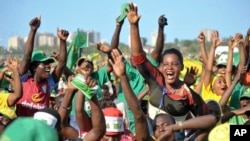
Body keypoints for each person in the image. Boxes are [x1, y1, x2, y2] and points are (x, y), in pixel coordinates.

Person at [127, 2, 208, 123]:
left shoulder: (187, 93)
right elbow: (139, 57)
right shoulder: (155, 80)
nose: (169, 67)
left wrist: (187, 86)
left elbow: (206, 118)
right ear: (160, 67)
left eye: (175, 64)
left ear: (181, 67)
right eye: (165, 64)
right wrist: (134, 25)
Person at [16, 16, 69, 116]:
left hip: (40, 129)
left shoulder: (49, 83)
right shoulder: (23, 79)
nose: (48, 66)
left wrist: (63, 41)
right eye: (44, 64)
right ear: (34, 67)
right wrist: (33, 30)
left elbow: (62, 64)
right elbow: (27, 56)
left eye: (49, 64)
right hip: (22, 127)